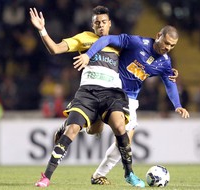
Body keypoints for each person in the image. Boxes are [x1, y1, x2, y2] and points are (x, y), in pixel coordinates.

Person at [29, 6, 145, 188]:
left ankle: (129, 173)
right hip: (88, 93)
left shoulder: (119, 43)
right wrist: (42, 29)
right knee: (73, 130)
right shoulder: (84, 38)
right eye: (97, 23)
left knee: (119, 126)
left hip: (112, 94)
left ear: (109, 24)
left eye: (104, 22)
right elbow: (55, 49)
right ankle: (46, 177)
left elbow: (143, 57)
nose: (100, 25)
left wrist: (165, 71)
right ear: (93, 25)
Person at [68, 25, 190, 185]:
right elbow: (107, 39)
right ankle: (72, 124)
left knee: (124, 141)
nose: (167, 48)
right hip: (111, 88)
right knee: (97, 131)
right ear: (158, 35)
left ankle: (99, 175)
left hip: (130, 99)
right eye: (166, 43)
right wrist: (88, 55)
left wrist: (177, 105)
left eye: (172, 45)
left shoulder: (165, 62)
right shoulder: (137, 43)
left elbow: (169, 83)